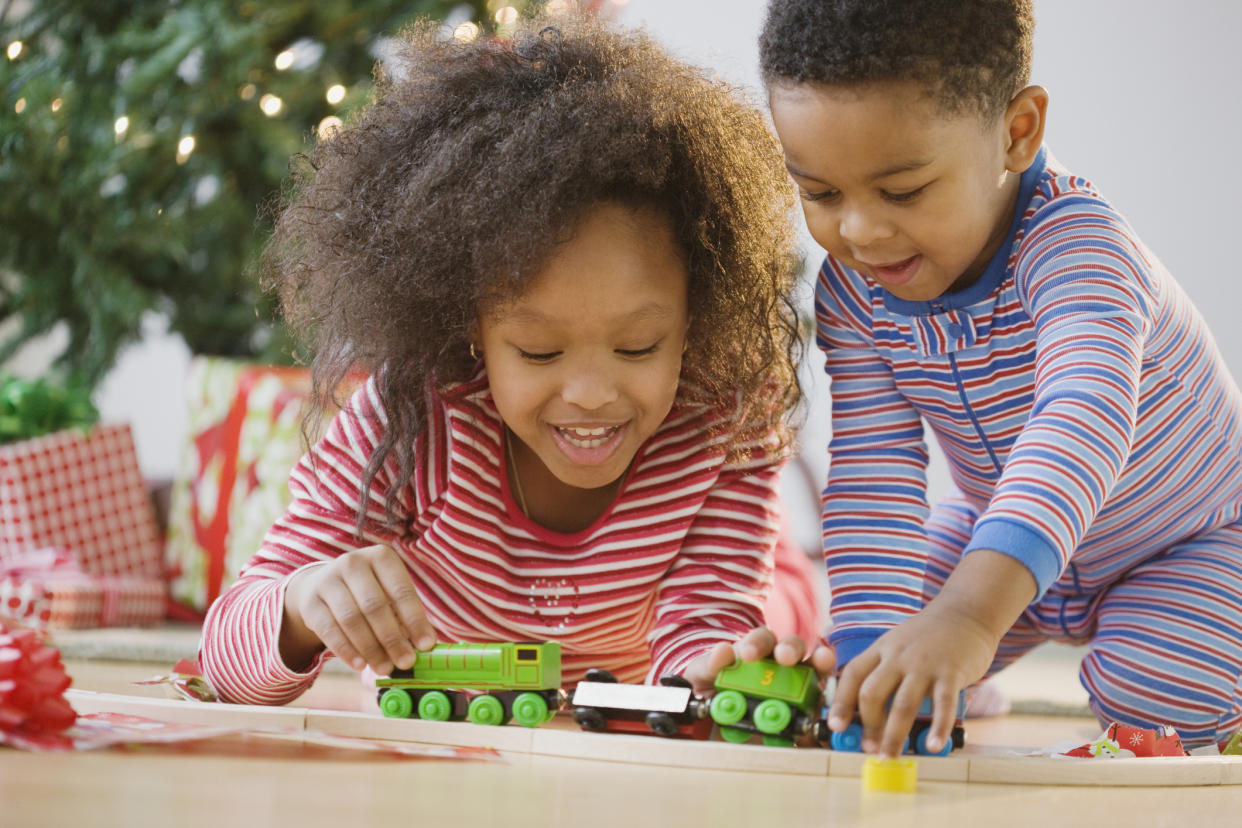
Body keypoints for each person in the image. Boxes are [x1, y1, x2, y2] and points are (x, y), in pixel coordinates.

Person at [198, 14, 823, 706]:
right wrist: (300, 605)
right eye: (539, 350)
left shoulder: (725, 412)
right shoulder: (409, 419)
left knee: (788, 611)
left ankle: (795, 581)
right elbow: (224, 660)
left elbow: (706, 622)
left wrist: (718, 668)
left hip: (698, 624)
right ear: (468, 328)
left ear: (694, 317)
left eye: (638, 346)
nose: (589, 393)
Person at [759, 0, 1242, 756]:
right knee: (866, 649)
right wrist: (871, 663)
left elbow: (1080, 420)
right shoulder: (855, 290)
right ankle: (952, 678)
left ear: (1017, 132)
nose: (857, 231)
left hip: (1193, 542)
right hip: (997, 531)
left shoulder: (1081, 251)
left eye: (903, 191)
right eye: (820, 194)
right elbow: (874, 472)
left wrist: (971, 619)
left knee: (1151, 691)